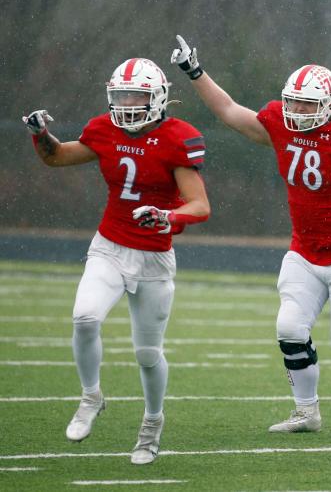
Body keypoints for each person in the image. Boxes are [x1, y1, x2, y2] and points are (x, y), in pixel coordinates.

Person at [170, 35, 331, 433]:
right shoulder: (279, 123)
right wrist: (195, 72)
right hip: (305, 251)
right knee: (289, 328)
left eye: (307, 103)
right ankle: (307, 412)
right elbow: (229, 110)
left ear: (329, 105)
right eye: (293, 101)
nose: (297, 109)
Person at [22, 58, 211, 464]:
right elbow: (56, 157)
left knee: (147, 353)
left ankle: (152, 423)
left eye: (135, 96)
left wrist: (167, 215)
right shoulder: (104, 129)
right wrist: (41, 135)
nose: (126, 103)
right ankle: (91, 397)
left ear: (157, 98)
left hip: (154, 258)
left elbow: (199, 206)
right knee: (85, 317)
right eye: (120, 95)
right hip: (109, 244)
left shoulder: (179, 137)